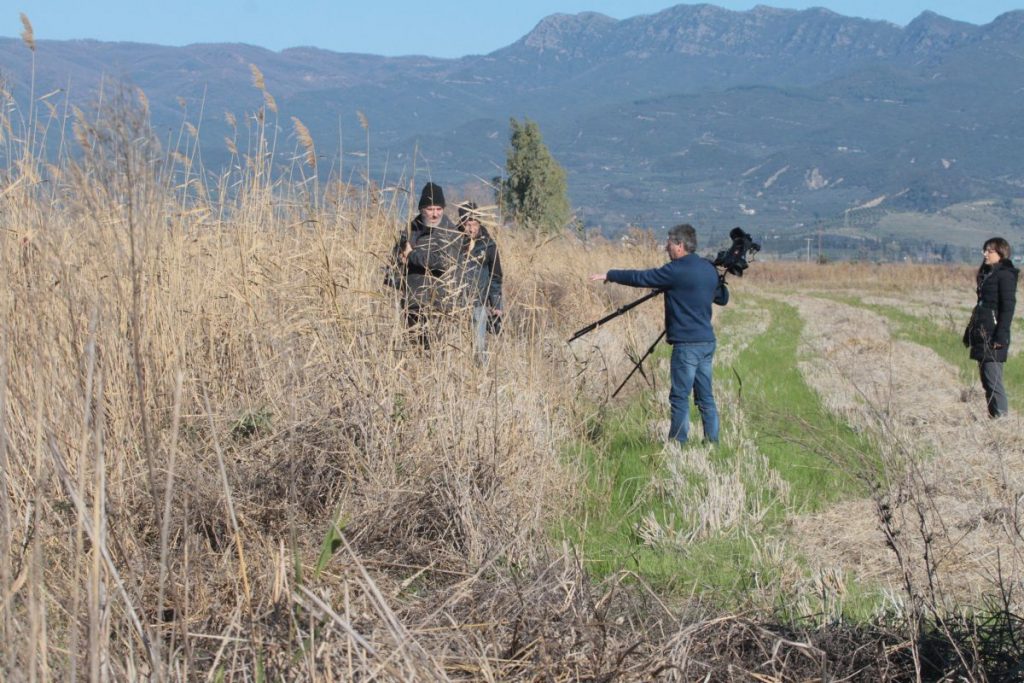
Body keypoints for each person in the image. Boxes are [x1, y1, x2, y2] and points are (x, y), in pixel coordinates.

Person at [590, 223, 720, 444]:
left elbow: (642, 278)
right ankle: (712, 443)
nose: (666, 247)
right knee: (705, 397)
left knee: (679, 397)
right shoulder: (708, 268)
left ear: (679, 245)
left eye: (669, 242)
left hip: (686, 344)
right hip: (707, 341)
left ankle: (678, 444)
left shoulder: (676, 270)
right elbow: (722, 298)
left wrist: (610, 274)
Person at [395, 182, 464, 346]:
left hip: (441, 303)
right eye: (430, 209)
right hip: (413, 301)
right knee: (415, 348)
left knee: (437, 349)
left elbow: (445, 261)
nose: (435, 214)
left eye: (439, 209)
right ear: (421, 209)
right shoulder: (411, 230)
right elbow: (397, 259)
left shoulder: (451, 233)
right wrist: (399, 281)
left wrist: (412, 255)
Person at [963, 237, 1018, 418]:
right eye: (984, 250)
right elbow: (981, 306)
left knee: (993, 381)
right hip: (983, 333)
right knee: (987, 381)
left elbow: (1007, 308)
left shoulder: (1005, 275)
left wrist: (1000, 337)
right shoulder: (988, 274)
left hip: (994, 336)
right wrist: (969, 331)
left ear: (1001, 253)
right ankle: (995, 419)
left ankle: (1002, 422)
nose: (985, 254)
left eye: (989, 251)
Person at [456, 202, 503, 357]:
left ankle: (481, 374)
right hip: (456, 303)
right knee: (456, 345)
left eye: (475, 224)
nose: (471, 228)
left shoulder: (488, 245)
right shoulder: (453, 242)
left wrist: (496, 303)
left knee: (479, 345)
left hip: (479, 302)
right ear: (461, 223)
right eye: (467, 224)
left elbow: (495, 277)